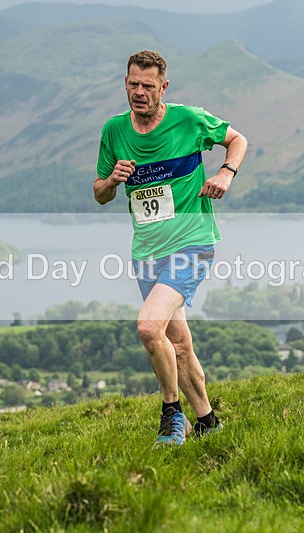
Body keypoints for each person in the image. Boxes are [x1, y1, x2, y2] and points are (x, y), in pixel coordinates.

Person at [93, 50, 248, 446]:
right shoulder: (114, 131)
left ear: (164, 87)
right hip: (146, 252)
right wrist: (112, 180)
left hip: (192, 243)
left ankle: (170, 414)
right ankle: (209, 423)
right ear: (124, 83)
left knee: (148, 326)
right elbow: (99, 195)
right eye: (132, 84)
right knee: (177, 344)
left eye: (147, 85)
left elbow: (237, 140)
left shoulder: (188, 119)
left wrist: (226, 174)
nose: (139, 92)